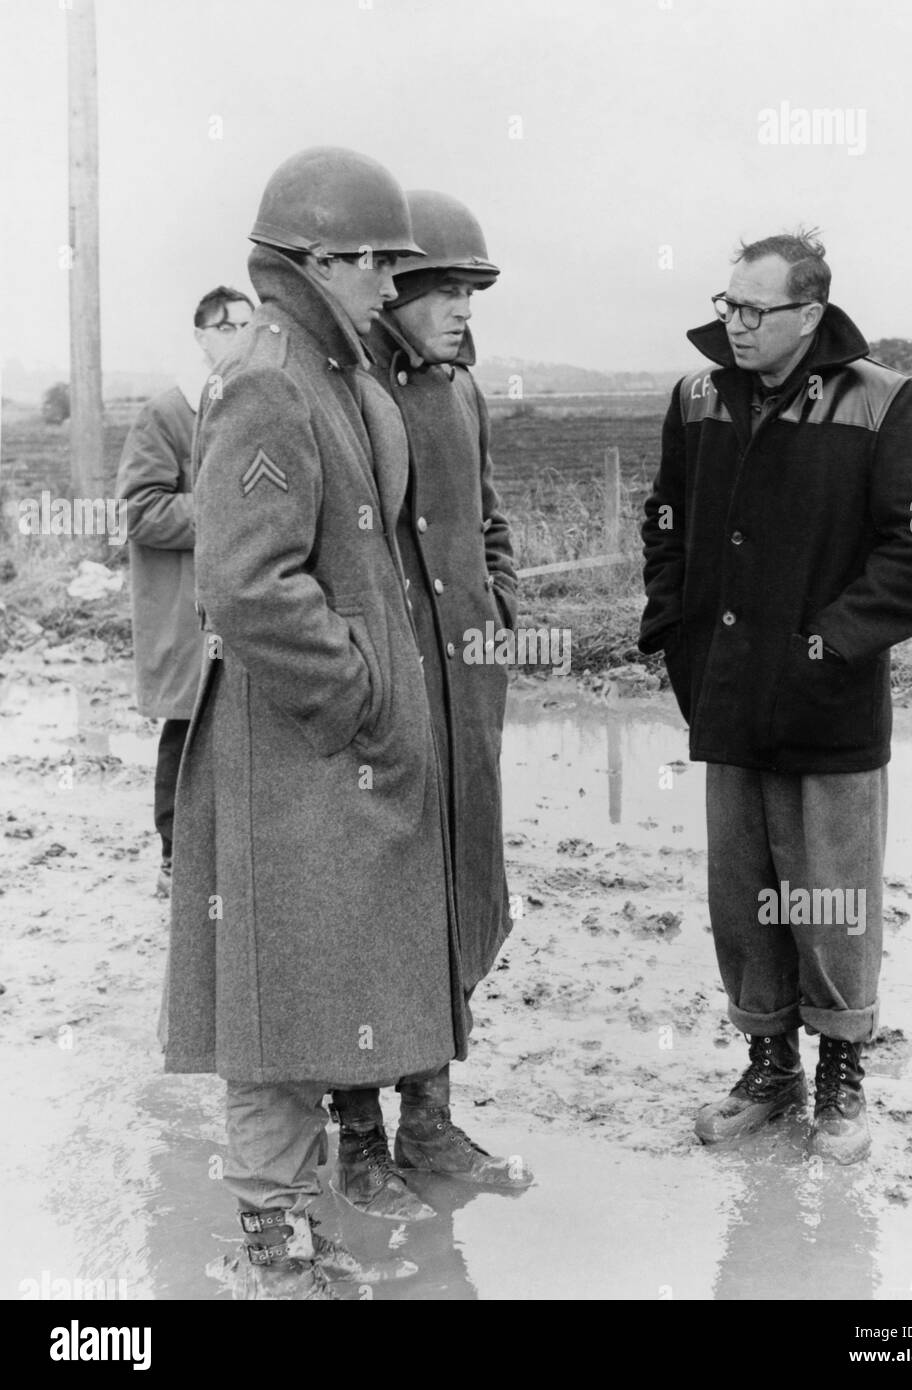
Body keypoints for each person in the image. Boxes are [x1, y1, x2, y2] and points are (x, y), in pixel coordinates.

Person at [163, 147, 468, 1298]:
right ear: (319, 259)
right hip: (291, 747)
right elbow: (245, 582)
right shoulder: (271, 383)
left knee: (305, 992)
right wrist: (358, 697)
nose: (393, 285)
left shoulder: (334, 374)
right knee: (272, 1001)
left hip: (325, 751)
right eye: (378, 262)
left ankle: (287, 1222)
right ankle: (274, 1240)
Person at [639, 229, 912, 1164]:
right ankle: (768, 1066)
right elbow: (664, 522)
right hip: (727, 699)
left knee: (830, 896)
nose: (730, 323)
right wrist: (676, 638)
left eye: (752, 309)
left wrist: (833, 647)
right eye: (726, 303)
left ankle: (842, 1078)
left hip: (830, 705)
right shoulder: (696, 398)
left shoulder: (885, 400)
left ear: (809, 313)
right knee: (744, 894)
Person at [330, 190, 530, 1220]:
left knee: (453, 890)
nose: (461, 308)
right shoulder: (345, 391)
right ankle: (359, 1143)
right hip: (384, 703)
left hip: (466, 690)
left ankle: (434, 1125)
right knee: (374, 910)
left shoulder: (458, 391)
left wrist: (500, 604)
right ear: (393, 287)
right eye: (444, 287)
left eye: (470, 289)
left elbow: (485, 516)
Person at [116, 286, 253, 896]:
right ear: (200, 336)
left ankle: (238, 848)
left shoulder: (253, 404)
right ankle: (176, 853)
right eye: (226, 327)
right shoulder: (167, 414)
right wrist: (220, 509)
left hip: (247, 601)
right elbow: (140, 512)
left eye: (251, 325)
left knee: (248, 723)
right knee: (188, 723)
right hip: (185, 604)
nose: (240, 336)